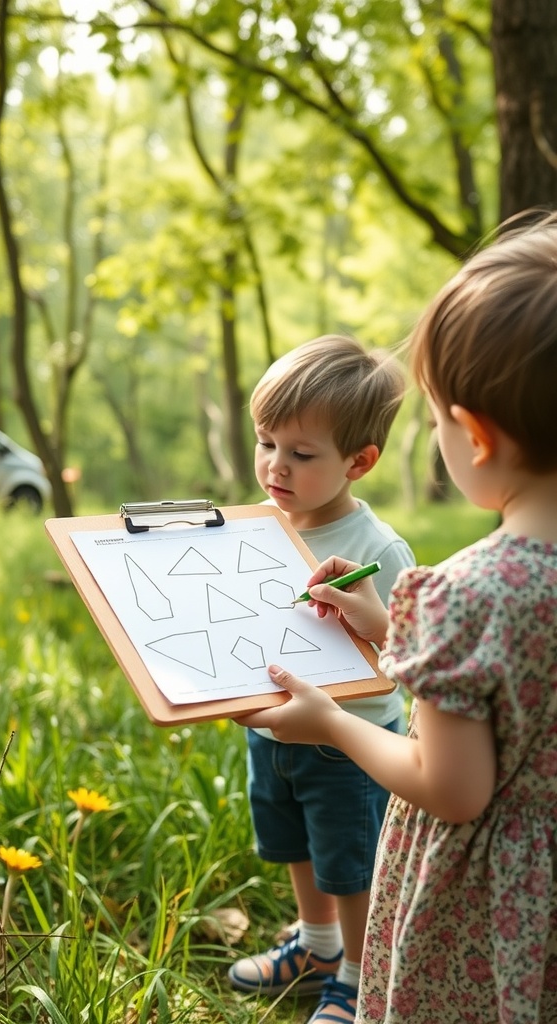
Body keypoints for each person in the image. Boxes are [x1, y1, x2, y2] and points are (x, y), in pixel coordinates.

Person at [236, 211, 557, 1024]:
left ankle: (341, 979)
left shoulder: (465, 592)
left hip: (484, 892)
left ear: (474, 436)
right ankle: (315, 948)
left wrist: (335, 726)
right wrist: (387, 629)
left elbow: (453, 788)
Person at [228, 335, 415, 1024]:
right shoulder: (258, 530)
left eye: (301, 454)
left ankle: (361, 981)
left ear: (358, 462)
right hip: (275, 728)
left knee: (349, 864)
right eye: (265, 441)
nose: (275, 465)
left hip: (350, 745)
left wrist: (369, 624)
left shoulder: (378, 551)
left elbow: (409, 655)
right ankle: (316, 947)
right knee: (293, 845)